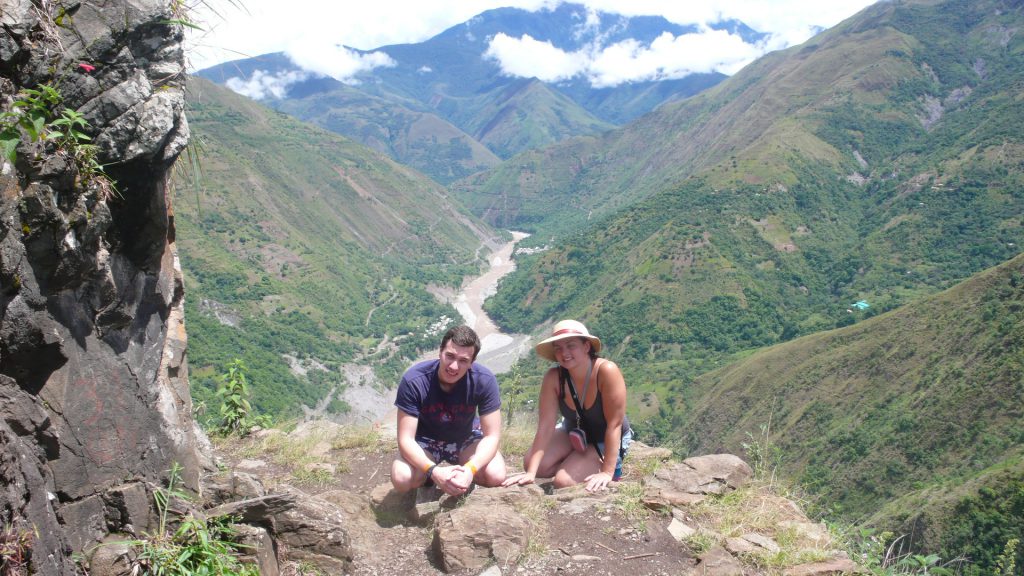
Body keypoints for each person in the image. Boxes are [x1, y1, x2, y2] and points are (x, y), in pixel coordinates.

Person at [502, 319, 632, 492]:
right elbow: (546, 426)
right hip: (573, 433)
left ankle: (597, 465)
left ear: (586, 347)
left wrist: (607, 472)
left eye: (571, 345)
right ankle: (576, 461)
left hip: (604, 438)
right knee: (534, 464)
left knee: (563, 482)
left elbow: (614, 424)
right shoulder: (554, 377)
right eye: (558, 348)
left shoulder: (606, 371)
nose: (564, 353)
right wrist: (531, 473)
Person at [391, 325, 507, 495]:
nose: (454, 366)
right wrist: (434, 472)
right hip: (425, 440)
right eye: (450, 356)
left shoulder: (484, 381)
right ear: (440, 352)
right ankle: (430, 476)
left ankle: (458, 476)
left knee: (495, 475)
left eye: (463, 361)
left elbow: (492, 436)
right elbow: (405, 440)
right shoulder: (414, 380)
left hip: (466, 437)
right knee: (402, 478)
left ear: (472, 363)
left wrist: (470, 470)